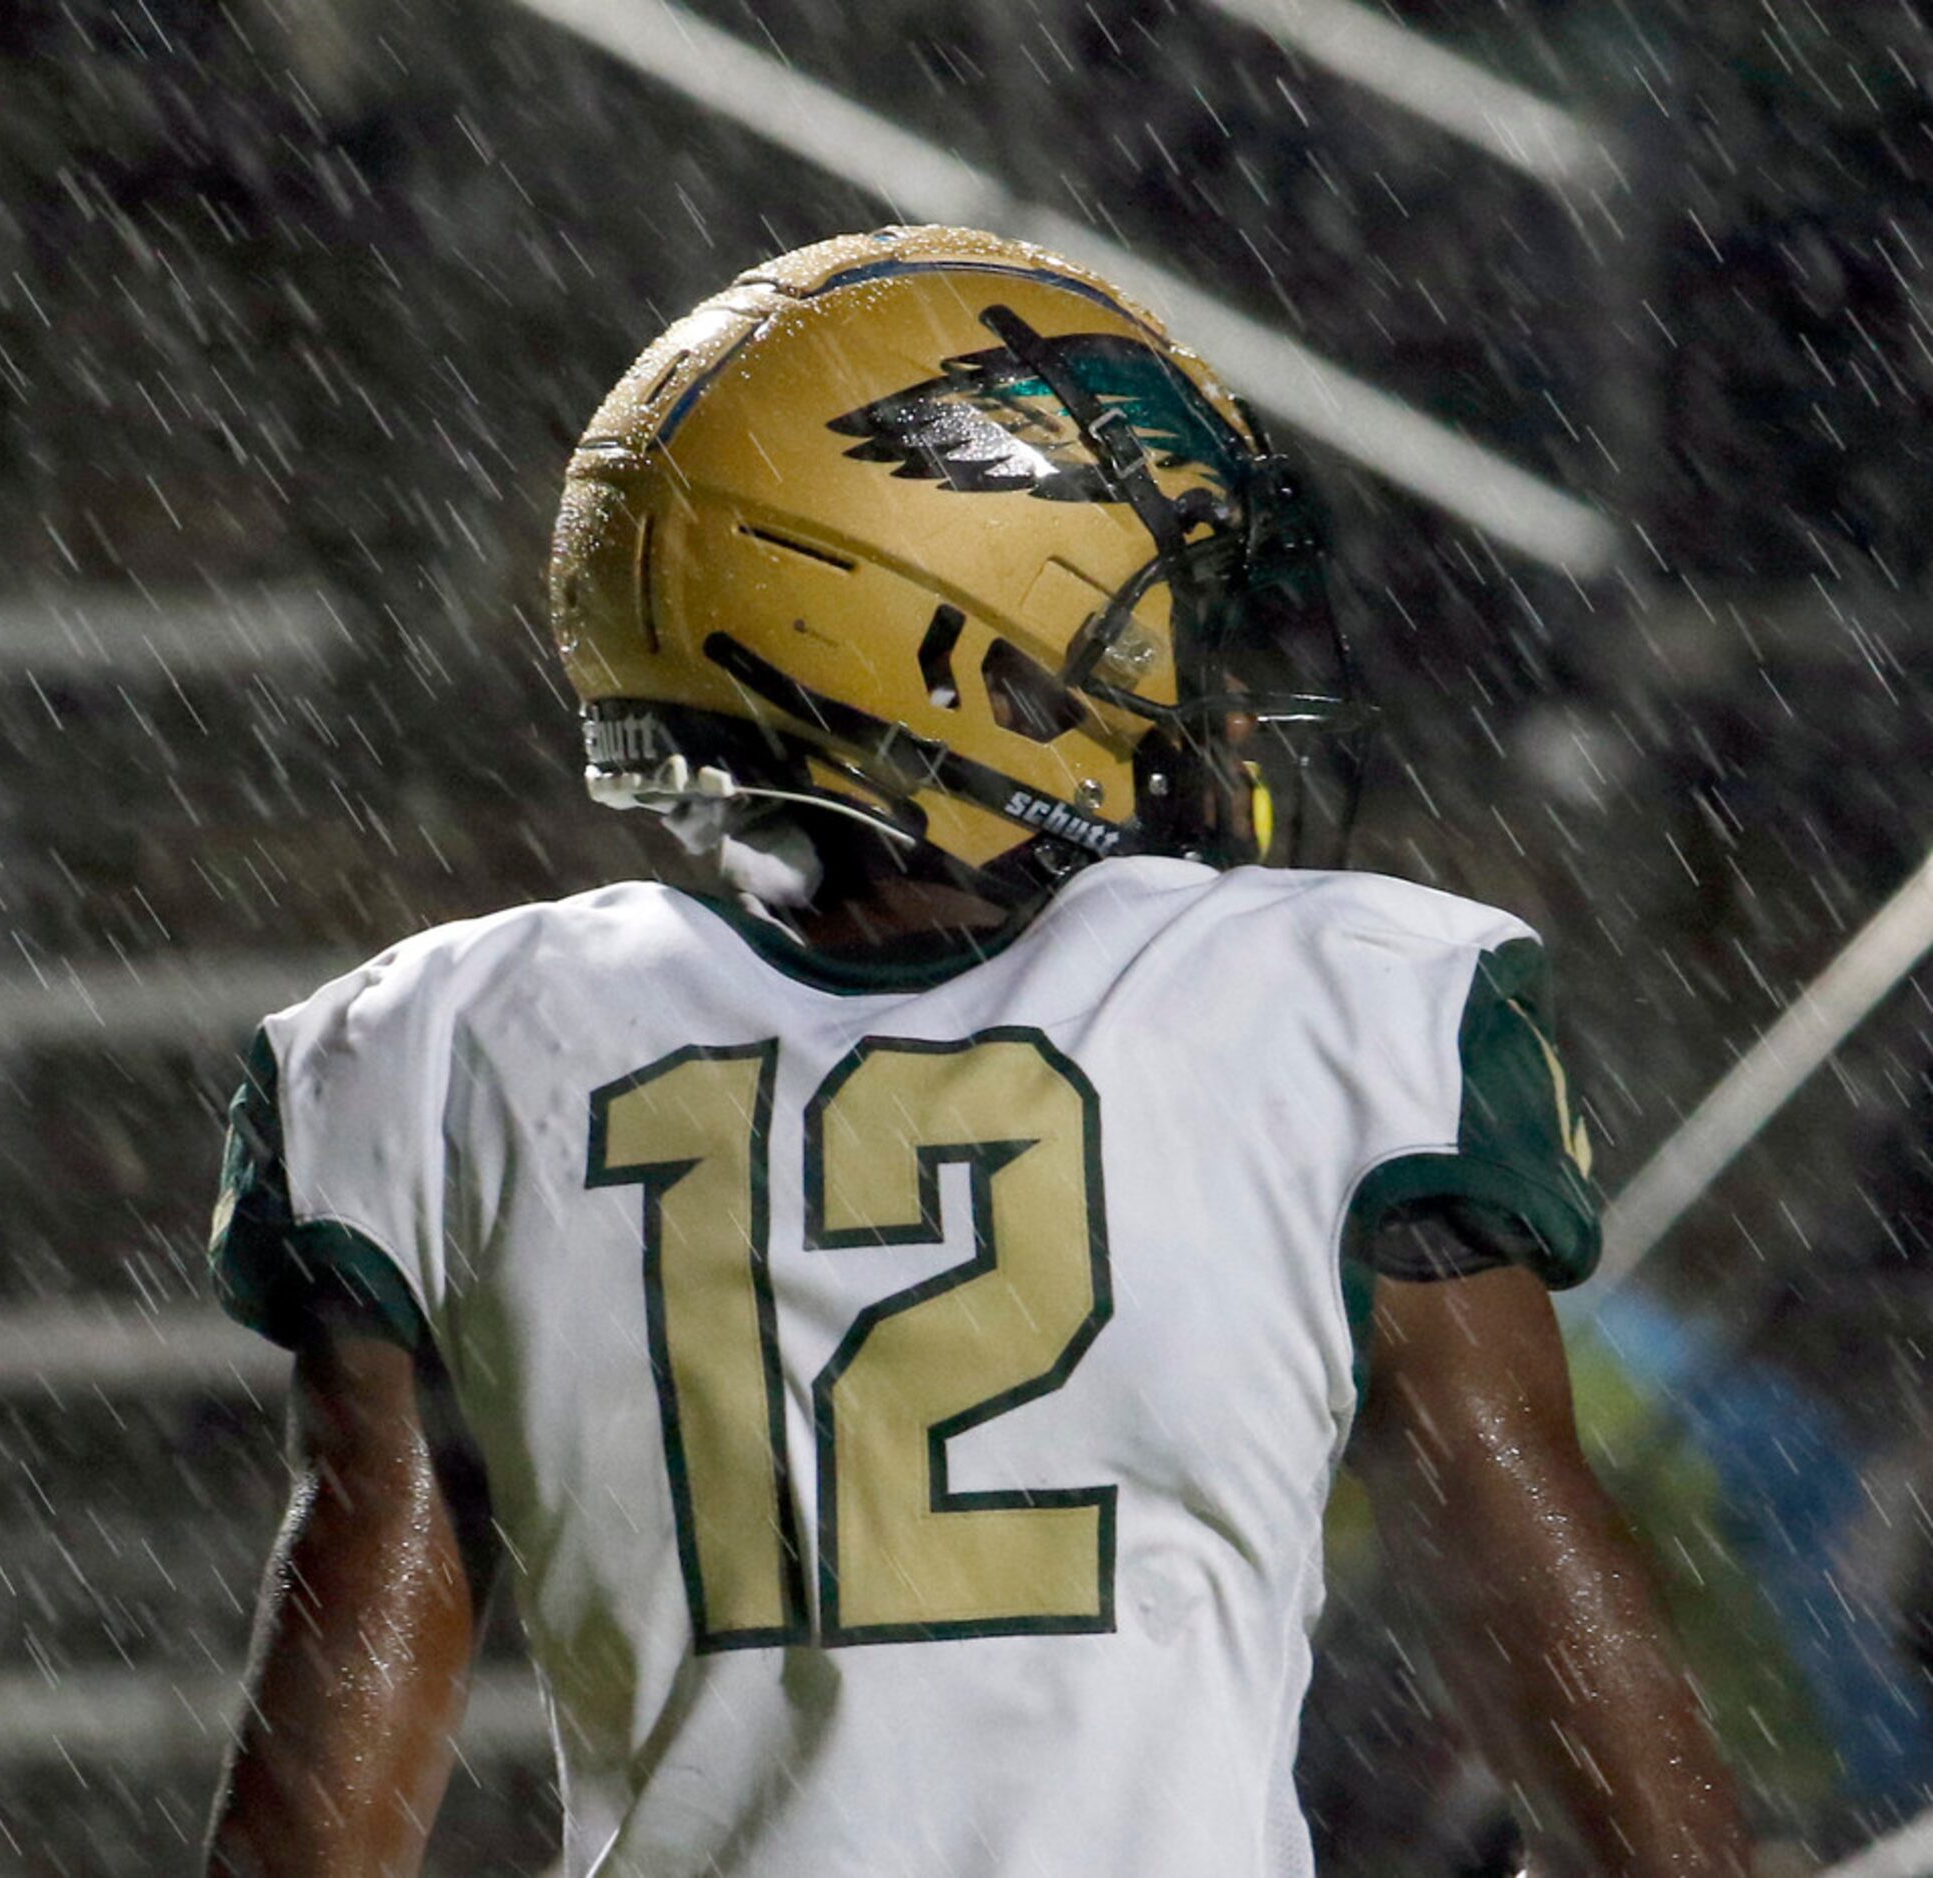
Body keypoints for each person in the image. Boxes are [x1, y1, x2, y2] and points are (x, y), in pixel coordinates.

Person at [203, 225, 1750, 1876]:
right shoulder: (1333, 1007)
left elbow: (323, 1811)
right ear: (956, 654)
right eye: (1129, 638)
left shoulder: (457, 1055)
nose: (1193, 702)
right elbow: (1533, 1604)